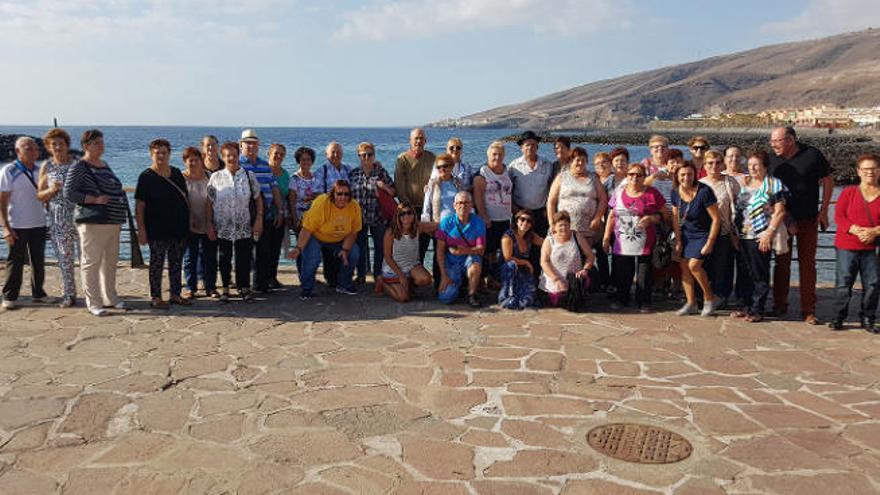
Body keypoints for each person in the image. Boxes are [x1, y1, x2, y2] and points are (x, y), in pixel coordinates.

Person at [769, 126, 832, 325]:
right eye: (771, 142)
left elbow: (828, 180)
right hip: (782, 220)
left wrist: (824, 211)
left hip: (808, 218)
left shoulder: (812, 154)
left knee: (807, 264)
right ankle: (780, 305)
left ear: (790, 140)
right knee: (781, 263)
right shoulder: (771, 159)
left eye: (776, 141)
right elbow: (764, 185)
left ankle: (808, 310)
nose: (773, 145)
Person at [64, 129, 129, 316]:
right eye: (96, 143)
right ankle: (93, 302)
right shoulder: (80, 167)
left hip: (112, 221)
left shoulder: (104, 164)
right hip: (93, 222)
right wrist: (93, 199)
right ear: (86, 146)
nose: (101, 146)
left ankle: (110, 297)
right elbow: (69, 193)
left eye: (102, 142)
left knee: (110, 262)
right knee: (91, 262)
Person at [732, 150, 787, 323]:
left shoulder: (774, 184)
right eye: (749, 165)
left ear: (765, 166)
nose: (753, 168)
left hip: (761, 235)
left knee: (759, 273)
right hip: (743, 235)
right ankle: (745, 306)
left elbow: (780, 211)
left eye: (756, 165)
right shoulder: (745, 184)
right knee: (744, 272)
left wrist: (768, 234)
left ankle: (757, 309)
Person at [135, 139, 191, 309]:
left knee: (176, 262)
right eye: (157, 152)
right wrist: (141, 230)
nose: (161, 155)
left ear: (169, 154)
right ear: (151, 154)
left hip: (178, 227)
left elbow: (185, 199)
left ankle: (175, 294)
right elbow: (140, 206)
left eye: (164, 152)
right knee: (156, 264)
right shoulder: (146, 177)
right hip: (156, 229)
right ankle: (156, 297)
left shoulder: (175, 173)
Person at [206, 141, 263, 302]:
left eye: (234, 155)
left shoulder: (248, 176)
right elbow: (209, 202)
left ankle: (243, 287)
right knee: (224, 258)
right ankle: (225, 288)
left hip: (244, 225)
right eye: (227, 155)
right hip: (222, 226)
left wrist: (259, 219)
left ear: (238, 155)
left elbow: (258, 199)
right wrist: (209, 224)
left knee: (243, 258)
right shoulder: (216, 177)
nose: (231, 158)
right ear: (223, 157)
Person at [603, 163, 665, 310]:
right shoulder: (618, 193)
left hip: (645, 241)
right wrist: (606, 237)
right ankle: (621, 299)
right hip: (621, 241)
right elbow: (611, 216)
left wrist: (651, 218)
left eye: (639, 175)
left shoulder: (652, 193)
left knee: (644, 274)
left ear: (644, 177)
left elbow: (663, 215)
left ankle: (644, 301)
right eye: (631, 174)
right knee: (622, 272)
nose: (634, 177)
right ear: (627, 176)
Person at [829, 155, 880, 332]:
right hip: (847, 245)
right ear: (858, 172)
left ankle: (867, 318)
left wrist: (874, 232)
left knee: (873, 285)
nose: (870, 172)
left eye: (873, 168)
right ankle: (838, 317)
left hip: (873, 247)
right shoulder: (849, 192)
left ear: (879, 171)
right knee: (843, 284)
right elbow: (839, 217)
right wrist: (855, 229)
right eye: (865, 169)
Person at [288, 179, 361, 299]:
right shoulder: (322, 203)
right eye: (339, 194)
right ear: (333, 194)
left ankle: (344, 284)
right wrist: (298, 248)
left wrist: (345, 249)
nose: (342, 197)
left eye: (346, 194)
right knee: (312, 259)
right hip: (316, 236)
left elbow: (353, 232)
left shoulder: (354, 206)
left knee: (354, 252)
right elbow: (307, 229)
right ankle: (306, 289)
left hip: (340, 239)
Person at [1, 136, 47, 310]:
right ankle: (10, 296)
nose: (34, 151)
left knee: (38, 261)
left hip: (39, 223)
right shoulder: (9, 171)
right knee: (15, 262)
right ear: (18, 151)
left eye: (36, 148)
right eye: (29, 148)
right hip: (17, 225)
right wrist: (6, 227)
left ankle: (38, 293)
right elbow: (2, 202)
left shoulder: (40, 171)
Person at [672, 162, 721, 317]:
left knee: (694, 266)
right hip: (686, 234)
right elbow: (675, 218)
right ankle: (691, 303)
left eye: (690, 174)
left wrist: (710, 242)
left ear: (695, 175)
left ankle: (709, 298)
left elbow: (716, 219)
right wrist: (678, 240)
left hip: (703, 233)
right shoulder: (675, 192)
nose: (686, 178)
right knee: (684, 267)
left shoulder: (704, 192)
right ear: (677, 176)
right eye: (682, 175)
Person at [37, 128, 79, 307]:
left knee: (87, 258)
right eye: (53, 144)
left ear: (67, 145)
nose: (57, 147)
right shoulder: (47, 166)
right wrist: (52, 189)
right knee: (64, 258)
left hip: (79, 216)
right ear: (48, 147)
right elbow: (39, 195)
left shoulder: (78, 164)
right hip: (58, 218)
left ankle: (94, 294)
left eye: (61, 143)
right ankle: (69, 295)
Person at [239, 129, 283, 293]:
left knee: (263, 250)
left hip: (265, 213)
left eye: (254, 143)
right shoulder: (237, 164)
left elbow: (274, 188)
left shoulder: (265, 165)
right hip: (244, 214)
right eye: (247, 143)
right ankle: (243, 284)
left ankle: (260, 284)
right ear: (241, 145)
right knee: (244, 251)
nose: (251, 146)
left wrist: (280, 211)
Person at [349, 141, 395, 286]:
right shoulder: (354, 173)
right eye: (363, 155)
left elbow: (394, 191)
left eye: (369, 154)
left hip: (378, 216)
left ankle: (377, 275)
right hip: (359, 217)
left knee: (380, 247)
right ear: (359, 156)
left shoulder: (381, 172)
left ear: (374, 156)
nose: (367, 158)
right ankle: (361, 274)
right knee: (360, 247)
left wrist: (384, 187)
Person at [699, 150, 741, 303]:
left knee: (722, 267)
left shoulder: (730, 183)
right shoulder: (700, 184)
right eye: (710, 163)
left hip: (724, 231)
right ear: (705, 165)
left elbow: (740, 204)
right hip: (704, 233)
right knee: (704, 265)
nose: (714, 166)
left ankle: (721, 296)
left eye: (718, 162)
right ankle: (705, 295)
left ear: (723, 164)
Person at [547, 147, 607, 249]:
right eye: (577, 160)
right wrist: (552, 223)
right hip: (565, 228)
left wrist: (597, 218)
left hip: (588, 229)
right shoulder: (561, 177)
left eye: (583, 160)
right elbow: (551, 202)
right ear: (571, 161)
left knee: (586, 257)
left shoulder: (593, 178)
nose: (580, 163)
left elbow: (603, 200)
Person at [436, 191, 485, 307]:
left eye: (467, 203)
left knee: (475, 264)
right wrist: (443, 276)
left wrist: (463, 251)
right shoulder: (446, 223)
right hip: (452, 263)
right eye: (460, 203)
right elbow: (439, 251)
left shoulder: (478, 222)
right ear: (454, 205)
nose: (463, 206)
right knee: (446, 297)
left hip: (469, 259)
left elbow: (481, 249)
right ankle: (460, 287)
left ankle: (472, 294)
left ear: (472, 205)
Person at [474, 141, 513, 286]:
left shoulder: (506, 170)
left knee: (499, 251)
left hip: (505, 218)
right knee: (487, 251)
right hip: (489, 219)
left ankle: (493, 278)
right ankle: (482, 279)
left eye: (500, 154)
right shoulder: (483, 173)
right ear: (488, 155)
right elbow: (478, 197)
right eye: (494, 154)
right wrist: (484, 216)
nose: (497, 157)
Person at [380, 201, 436, 302]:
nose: (406, 216)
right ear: (398, 216)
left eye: (409, 213)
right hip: (393, 269)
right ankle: (383, 282)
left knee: (426, 280)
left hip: (411, 266)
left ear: (414, 215)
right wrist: (400, 275)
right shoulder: (391, 232)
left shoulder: (418, 227)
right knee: (403, 298)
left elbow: (437, 226)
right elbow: (387, 257)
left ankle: (407, 284)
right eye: (402, 213)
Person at [181, 146, 217, 300]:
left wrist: (210, 223)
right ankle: (191, 287)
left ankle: (211, 287)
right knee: (190, 257)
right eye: (190, 161)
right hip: (189, 224)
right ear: (185, 162)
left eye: (196, 160)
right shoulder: (181, 178)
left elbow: (214, 200)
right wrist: (189, 218)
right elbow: (180, 201)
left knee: (210, 257)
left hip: (208, 222)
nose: (193, 163)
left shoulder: (209, 177)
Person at [395, 128, 436, 262]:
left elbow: (437, 178)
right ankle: (409, 276)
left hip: (427, 210)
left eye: (421, 138)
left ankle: (420, 274)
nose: (418, 141)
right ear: (410, 141)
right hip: (409, 210)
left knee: (424, 244)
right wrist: (408, 209)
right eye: (416, 138)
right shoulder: (402, 159)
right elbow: (399, 186)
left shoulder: (431, 157)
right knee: (410, 245)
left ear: (425, 141)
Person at [539, 211, 594, 308]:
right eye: (560, 225)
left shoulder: (576, 236)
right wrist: (556, 280)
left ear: (570, 225)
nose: (563, 228)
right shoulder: (549, 240)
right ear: (554, 227)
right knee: (558, 303)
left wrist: (585, 270)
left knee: (577, 304)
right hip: (554, 279)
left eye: (566, 225)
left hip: (574, 279)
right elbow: (544, 262)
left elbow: (590, 256)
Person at [508, 130, 554, 237]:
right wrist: (515, 209)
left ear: (537, 147)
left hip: (541, 213)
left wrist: (548, 207)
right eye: (527, 145)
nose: (530, 147)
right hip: (520, 212)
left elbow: (551, 188)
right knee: (520, 245)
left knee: (540, 244)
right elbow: (507, 191)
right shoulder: (513, 166)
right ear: (521, 148)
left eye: (533, 144)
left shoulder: (547, 164)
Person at [498, 209, 543, 309]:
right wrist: (526, 262)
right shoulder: (508, 236)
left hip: (522, 270)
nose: (525, 223)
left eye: (528, 221)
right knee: (511, 265)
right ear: (517, 221)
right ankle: (506, 297)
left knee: (528, 300)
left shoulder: (530, 236)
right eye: (522, 219)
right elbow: (507, 258)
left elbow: (545, 243)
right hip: (508, 268)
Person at [267, 143, 294, 289]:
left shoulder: (285, 174)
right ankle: (261, 278)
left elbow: (288, 196)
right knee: (263, 248)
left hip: (281, 215)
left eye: (281, 154)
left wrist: (288, 216)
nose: (278, 156)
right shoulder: (264, 171)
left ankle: (272, 277)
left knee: (275, 248)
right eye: (276, 153)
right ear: (269, 154)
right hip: (265, 215)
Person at [290, 146, 318, 275]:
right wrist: (295, 219)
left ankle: (309, 275)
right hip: (300, 219)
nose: (306, 162)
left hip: (315, 220)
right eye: (303, 159)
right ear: (298, 161)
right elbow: (292, 201)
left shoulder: (315, 177)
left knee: (312, 250)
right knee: (301, 248)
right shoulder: (294, 179)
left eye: (308, 159)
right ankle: (303, 276)